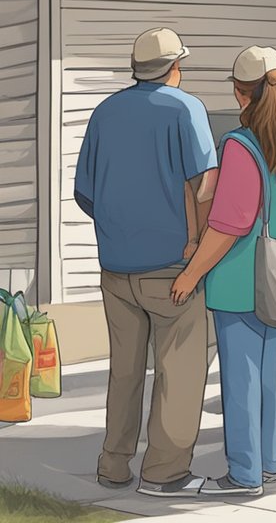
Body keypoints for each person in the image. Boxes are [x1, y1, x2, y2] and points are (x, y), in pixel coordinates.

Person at [167, 47, 276, 496]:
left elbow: (229, 224)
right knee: (272, 375)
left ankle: (245, 474)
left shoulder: (240, 145)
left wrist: (191, 274)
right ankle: (271, 462)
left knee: (240, 381)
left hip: (240, 280)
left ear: (239, 92)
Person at [74, 28, 216, 497]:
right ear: (176, 66)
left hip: (115, 265)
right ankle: (164, 472)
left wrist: (121, 226)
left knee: (126, 369)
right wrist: (194, 239)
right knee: (179, 370)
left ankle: (113, 463)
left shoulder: (105, 112)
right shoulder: (186, 109)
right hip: (172, 265)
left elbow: (85, 194)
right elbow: (206, 185)